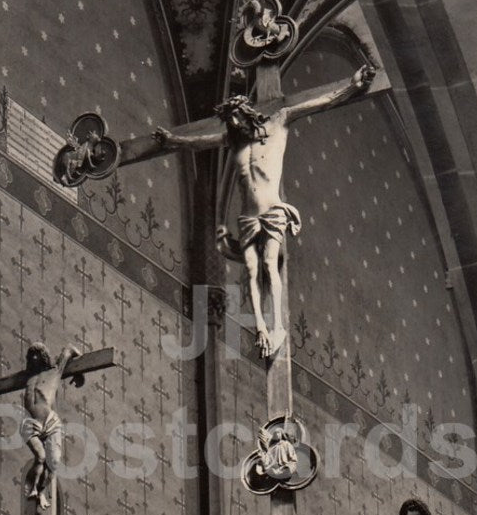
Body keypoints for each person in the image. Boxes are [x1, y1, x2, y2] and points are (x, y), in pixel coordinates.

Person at [153, 65, 375, 358]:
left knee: (270, 265)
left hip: (272, 211)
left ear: (247, 113)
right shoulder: (235, 143)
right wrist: (173, 141)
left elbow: (320, 102)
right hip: (247, 217)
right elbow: (202, 146)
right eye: (230, 122)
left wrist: (352, 85)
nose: (234, 125)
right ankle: (260, 327)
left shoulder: (279, 121)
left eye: (236, 119)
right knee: (251, 270)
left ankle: (278, 326)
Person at [21, 342, 84, 509]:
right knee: (40, 457)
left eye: (37, 354)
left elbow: (69, 349)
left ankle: (41, 491)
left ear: (43, 357)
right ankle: (34, 488)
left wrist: (80, 372)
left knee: (53, 462)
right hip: (31, 423)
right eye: (31, 355)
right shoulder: (26, 378)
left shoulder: (54, 371)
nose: (34, 357)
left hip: (50, 421)